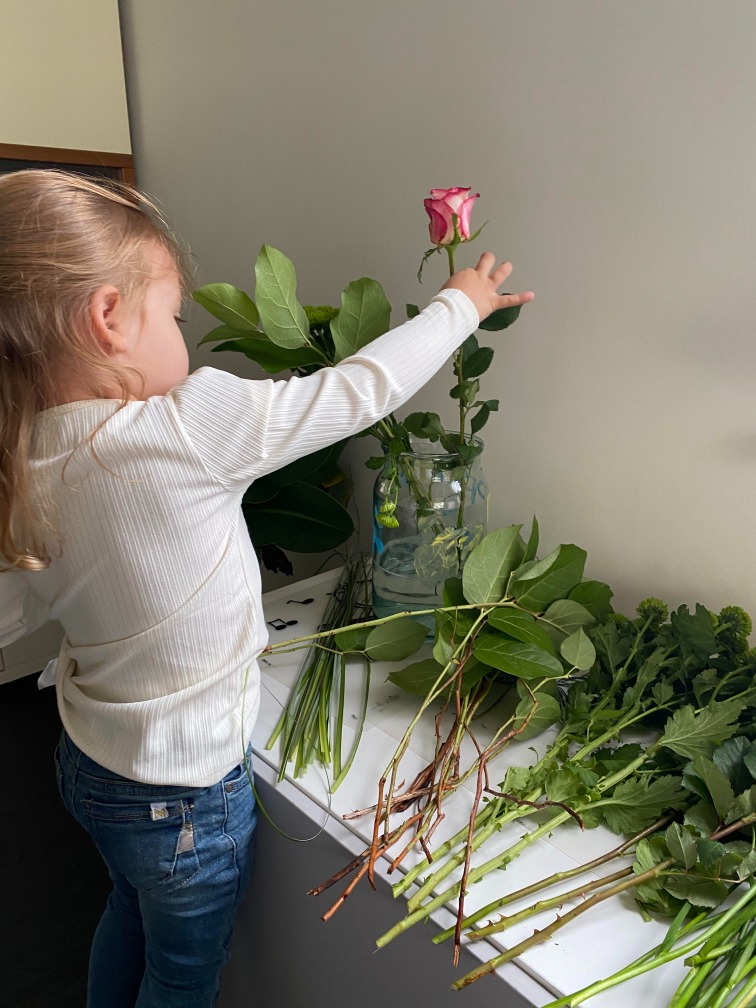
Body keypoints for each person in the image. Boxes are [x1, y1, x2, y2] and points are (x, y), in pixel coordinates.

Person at [0, 168, 534, 1008]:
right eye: (173, 317)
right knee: (182, 972)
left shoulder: (20, 459)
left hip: (86, 767)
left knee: (126, 915)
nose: (184, 338)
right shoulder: (184, 426)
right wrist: (459, 303)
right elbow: (357, 391)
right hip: (184, 799)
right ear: (108, 320)